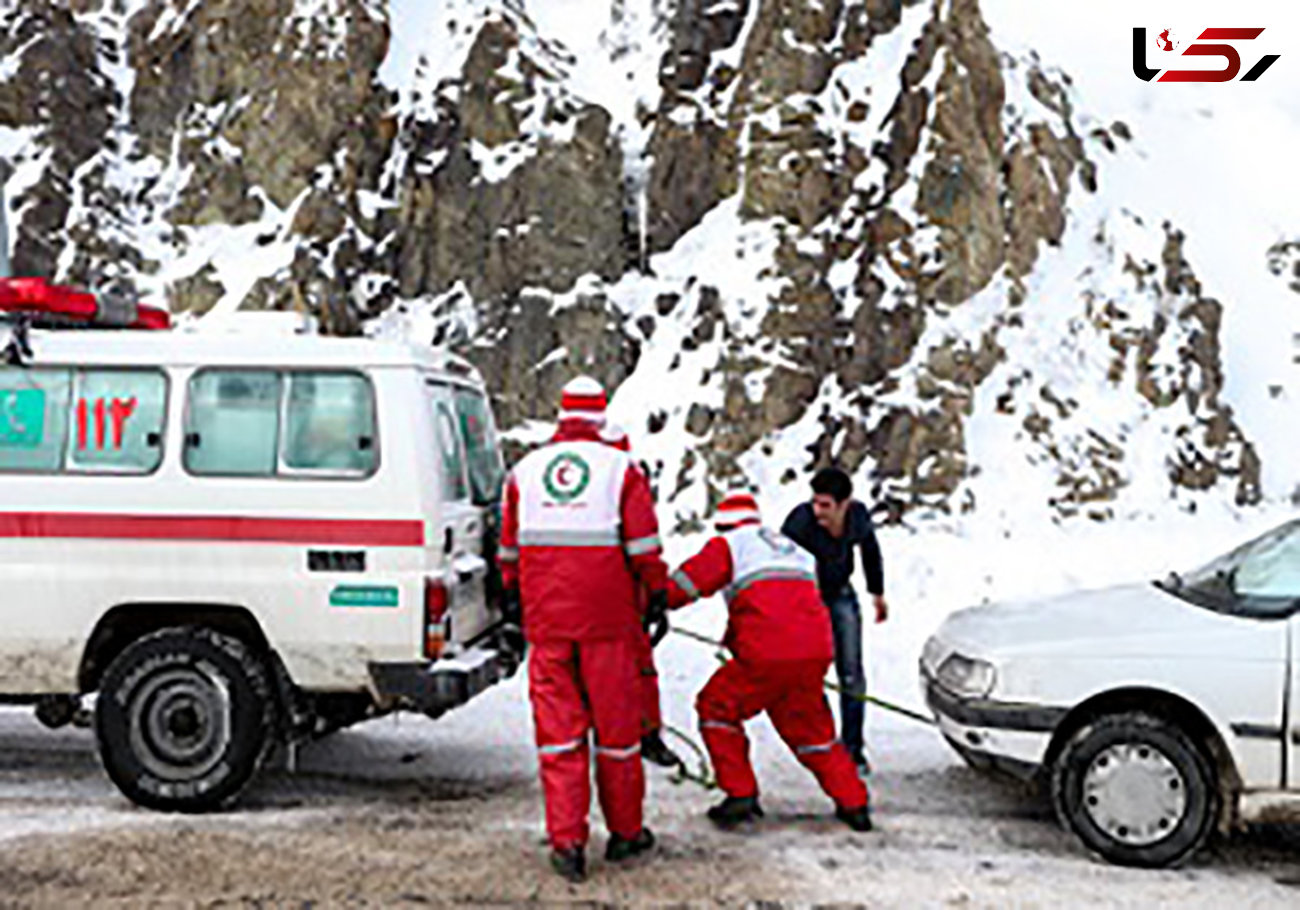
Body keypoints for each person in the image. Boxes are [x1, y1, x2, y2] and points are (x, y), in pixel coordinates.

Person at [498, 377, 668, 882]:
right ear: (600, 415)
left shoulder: (524, 472)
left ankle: (567, 843)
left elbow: (508, 552)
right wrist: (655, 595)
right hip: (609, 624)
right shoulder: (622, 469)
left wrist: (516, 595)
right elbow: (643, 548)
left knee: (559, 735)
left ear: (561, 414)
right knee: (617, 733)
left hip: (548, 623)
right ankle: (625, 834)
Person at [655, 491, 872, 832]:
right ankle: (854, 802)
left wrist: (653, 600)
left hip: (766, 655)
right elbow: (782, 603)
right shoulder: (795, 550)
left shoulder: (732, 543)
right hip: (812, 652)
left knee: (716, 707)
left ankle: (740, 794)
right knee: (813, 731)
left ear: (723, 525)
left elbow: (687, 584)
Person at [780, 467, 887, 774]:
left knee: (851, 673)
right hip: (805, 600)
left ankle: (853, 749)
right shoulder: (799, 523)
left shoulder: (857, 517)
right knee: (807, 671)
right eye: (815, 503)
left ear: (844, 505)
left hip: (840, 594)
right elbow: (778, 563)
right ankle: (816, 744)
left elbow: (870, 550)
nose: (818, 511)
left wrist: (877, 593)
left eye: (825, 505)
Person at [599, 421, 681, 770]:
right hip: (623, 599)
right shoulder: (626, 482)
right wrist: (658, 593)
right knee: (638, 671)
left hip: (580, 599)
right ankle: (641, 737)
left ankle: (593, 738)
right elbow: (646, 547)